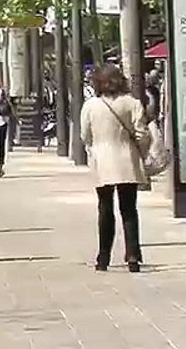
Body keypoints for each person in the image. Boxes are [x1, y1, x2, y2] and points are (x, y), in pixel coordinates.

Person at [81, 64, 148, 272]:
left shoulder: (91, 105)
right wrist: (141, 153)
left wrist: (93, 149)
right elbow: (142, 133)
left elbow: (85, 135)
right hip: (127, 159)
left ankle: (103, 258)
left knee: (105, 208)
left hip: (103, 161)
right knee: (129, 210)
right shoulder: (132, 103)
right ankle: (133, 256)